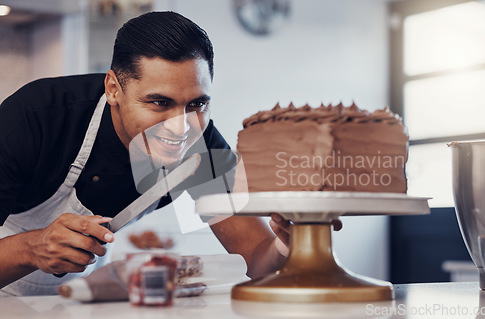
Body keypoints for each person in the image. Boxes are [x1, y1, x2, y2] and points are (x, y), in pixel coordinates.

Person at [0, 11, 295, 296]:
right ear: (114, 89)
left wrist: (287, 245)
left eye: (196, 104)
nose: (180, 127)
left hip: (76, 299)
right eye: (159, 102)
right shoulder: (32, 119)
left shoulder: (201, 146)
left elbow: (257, 256)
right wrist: (32, 248)